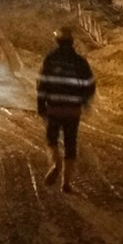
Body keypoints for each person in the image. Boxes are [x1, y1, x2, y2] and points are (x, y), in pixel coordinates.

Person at [36, 26, 95, 193]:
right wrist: (84, 101)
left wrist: (41, 105)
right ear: (72, 42)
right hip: (72, 109)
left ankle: (56, 164)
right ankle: (66, 183)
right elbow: (89, 84)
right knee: (70, 143)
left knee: (51, 140)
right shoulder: (80, 62)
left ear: (57, 41)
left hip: (54, 107)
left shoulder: (50, 59)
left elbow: (42, 83)